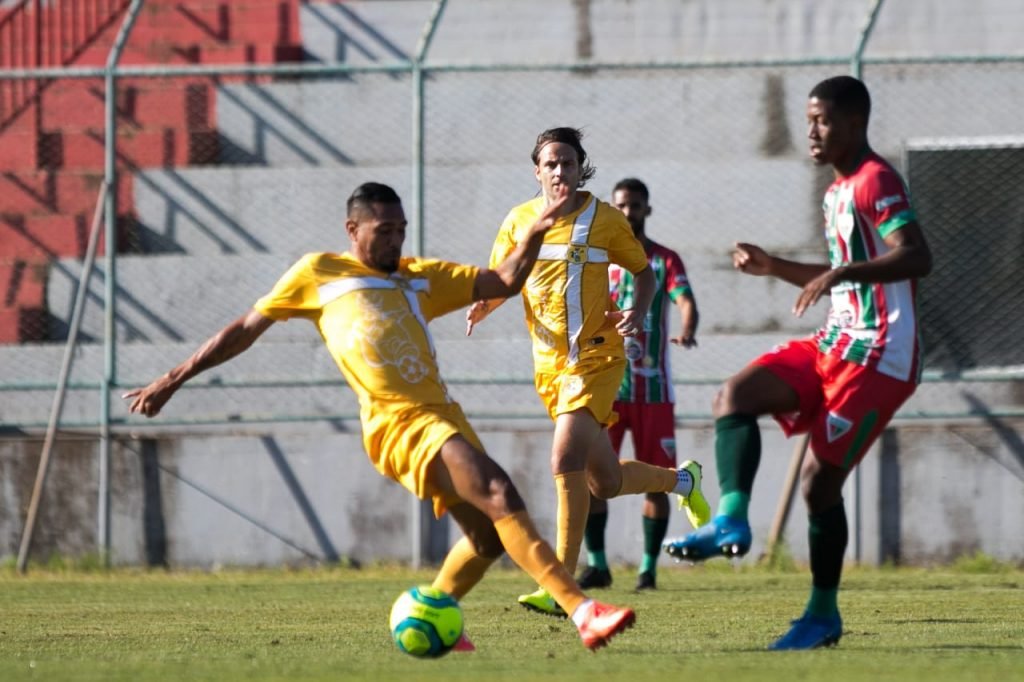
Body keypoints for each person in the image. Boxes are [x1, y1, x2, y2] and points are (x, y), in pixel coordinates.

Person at [124, 181, 638, 652]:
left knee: (484, 537)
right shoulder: (320, 274)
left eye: (400, 230)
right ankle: (583, 610)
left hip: (445, 417)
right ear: (353, 231)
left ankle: (430, 611)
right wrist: (173, 378)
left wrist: (532, 235)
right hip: (398, 424)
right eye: (382, 231)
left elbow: (504, 281)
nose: (394, 241)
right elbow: (244, 329)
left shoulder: (419, 277)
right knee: (500, 492)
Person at [664, 76, 932, 650]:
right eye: (809, 119)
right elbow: (840, 271)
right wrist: (774, 266)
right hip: (836, 340)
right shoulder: (835, 192)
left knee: (818, 486)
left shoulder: (876, 180)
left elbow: (916, 255)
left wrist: (841, 274)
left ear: (855, 124)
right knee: (735, 396)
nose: (811, 131)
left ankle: (821, 614)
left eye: (823, 121)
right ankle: (732, 519)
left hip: (881, 355)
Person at [466, 128, 710, 617]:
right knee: (604, 482)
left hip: (598, 357)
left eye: (568, 163)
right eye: (551, 163)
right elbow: (503, 279)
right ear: (537, 171)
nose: (560, 171)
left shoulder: (605, 220)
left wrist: (638, 313)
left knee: (563, 458)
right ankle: (682, 482)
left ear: (581, 169)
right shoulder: (517, 221)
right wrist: (482, 305)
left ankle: (560, 583)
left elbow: (645, 274)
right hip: (550, 368)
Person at [576, 177, 700, 592]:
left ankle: (648, 570)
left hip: (653, 393)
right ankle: (597, 564)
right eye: (621, 206)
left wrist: (687, 326)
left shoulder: (664, 261)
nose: (628, 213)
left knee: (657, 477)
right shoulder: (600, 261)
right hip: (605, 390)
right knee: (594, 478)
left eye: (635, 206)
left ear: (647, 209)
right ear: (614, 209)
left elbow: (685, 299)